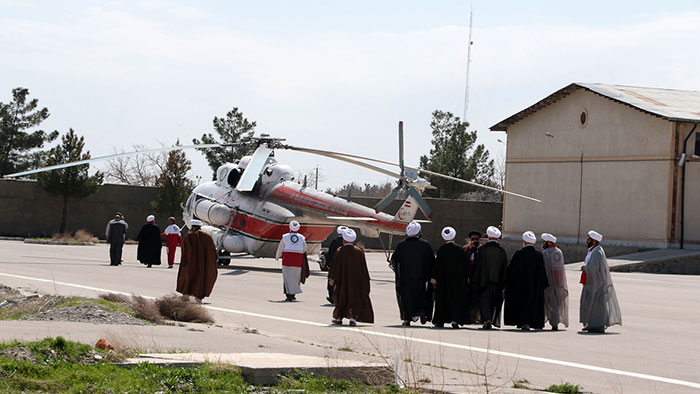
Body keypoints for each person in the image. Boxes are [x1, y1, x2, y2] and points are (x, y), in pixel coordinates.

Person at [390, 220, 435, 326]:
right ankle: (421, 311)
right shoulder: (425, 244)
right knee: (421, 295)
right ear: (419, 232)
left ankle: (407, 318)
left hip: (405, 278)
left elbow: (394, 261)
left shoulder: (401, 245)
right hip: (421, 278)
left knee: (406, 298)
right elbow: (432, 261)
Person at [328, 228, 374, 326]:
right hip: (356, 281)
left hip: (342, 281)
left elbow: (334, 266)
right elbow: (363, 268)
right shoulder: (359, 251)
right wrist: (365, 281)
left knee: (341, 298)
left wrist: (332, 278)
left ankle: (339, 317)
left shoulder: (340, 251)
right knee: (354, 299)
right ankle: (353, 318)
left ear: (344, 240)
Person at [504, 231, 548, 331]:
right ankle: (529, 322)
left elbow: (511, 272)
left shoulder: (519, 254)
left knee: (520, 304)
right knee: (532, 304)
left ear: (524, 241)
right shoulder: (539, 255)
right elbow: (542, 274)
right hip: (534, 287)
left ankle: (521, 322)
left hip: (520, 288)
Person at [580, 230, 622, 333]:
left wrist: (585, 268)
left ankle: (597, 325)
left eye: (589, 239)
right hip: (590, 282)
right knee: (587, 303)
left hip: (596, 283)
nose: (587, 241)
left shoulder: (597, 252)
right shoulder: (593, 250)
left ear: (594, 241)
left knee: (596, 306)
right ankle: (589, 323)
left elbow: (594, 267)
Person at [431, 227, 470, 329]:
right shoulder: (460, 250)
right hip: (458, 281)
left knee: (442, 301)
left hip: (443, 282)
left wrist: (434, 279)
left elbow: (437, 266)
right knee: (456, 301)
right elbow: (466, 267)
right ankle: (455, 320)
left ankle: (440, 321)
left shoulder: (441, 250)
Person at [470, 226, 507, 329]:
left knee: (484, 301)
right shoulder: (501, 251)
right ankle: (490, 319)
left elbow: (477, 266)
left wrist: (474, 280)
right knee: (493, 302)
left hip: (483, 282)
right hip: (497, 282)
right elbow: (504, 268)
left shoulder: (482, 250)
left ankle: (486, 319)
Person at [176, 219, 218, 302]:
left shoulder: (189, 236)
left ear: (192, 226)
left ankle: (186, 295)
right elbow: (213, 252)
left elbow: (186, 250)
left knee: (188, 278)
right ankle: (199, 296)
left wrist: (185, 262)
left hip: (191, 263)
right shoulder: (207, 236)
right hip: (204, 264)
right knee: (201, 278)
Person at [541, 233, 569, 330]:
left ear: (549, 243)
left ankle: (549, 322)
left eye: (544, 242)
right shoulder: (559, 252)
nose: (542, 243)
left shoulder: (546, 253)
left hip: (548, 282)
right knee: (556, 303)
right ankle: (555, 323)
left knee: (548, 303)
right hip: (559, 282)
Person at [275, 220, 308, 301]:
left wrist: (277, 256)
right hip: (297, 261)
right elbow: (304, 249)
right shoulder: (302, 238)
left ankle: (288, 295)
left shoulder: (285, 237)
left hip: (287, 261)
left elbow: (280, 247)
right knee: (296, 278)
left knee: (287, 278)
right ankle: (293, 294)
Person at [325, 225, 348, 304]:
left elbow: (330, 254)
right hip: (345, 267)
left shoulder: (334, 242)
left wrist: (328, 264)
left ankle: (332, 297)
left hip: (334, 266)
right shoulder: (349, 243)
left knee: (332, 282)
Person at [464, 229, 482, 322]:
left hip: (478, 278)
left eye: (477, 239)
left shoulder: (482, 250)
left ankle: (477, 316)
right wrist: (470, 250)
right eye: (473, 239)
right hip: (469, 278)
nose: (475, 241)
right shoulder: (466, 249)